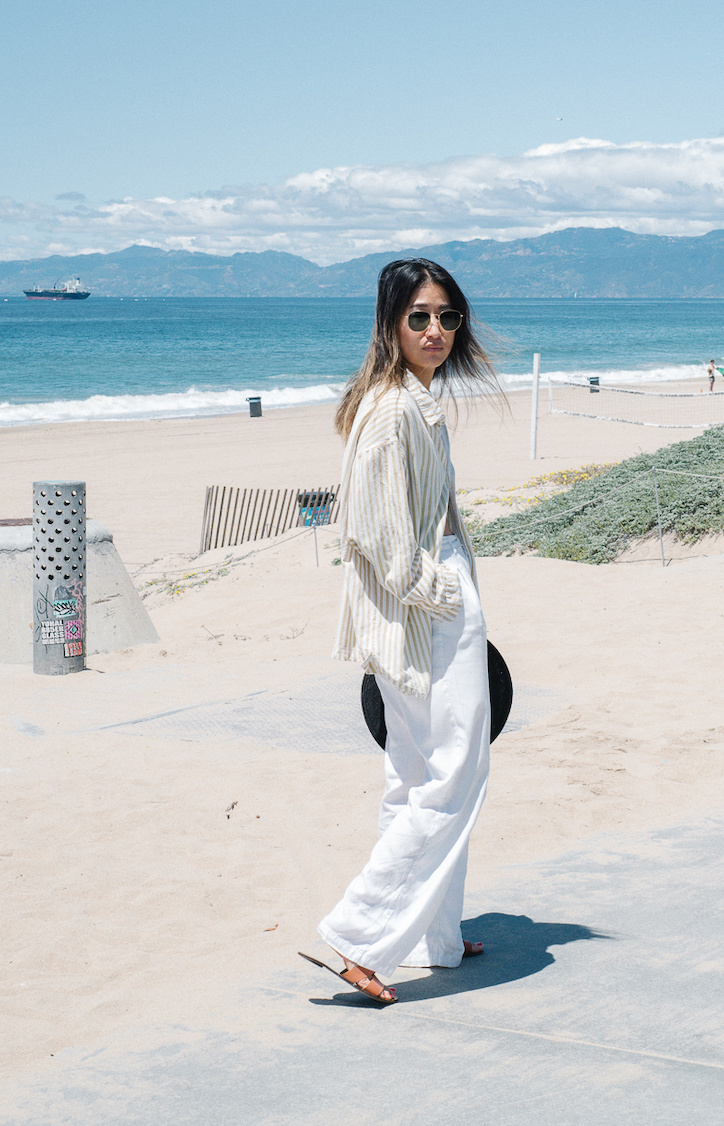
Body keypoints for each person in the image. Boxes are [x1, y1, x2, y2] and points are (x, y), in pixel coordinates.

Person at [300, 258, 501, 1006]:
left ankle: (430, 936)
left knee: (416, 775)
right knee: (455, 771)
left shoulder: (409, 402)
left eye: (447, 316)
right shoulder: (391, 410)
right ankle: (360, 935)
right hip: (426, 611)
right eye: (419, 316)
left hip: (420, 610)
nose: (436, 330)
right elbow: (380, 538)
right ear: (390, 323)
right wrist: (445, 591)